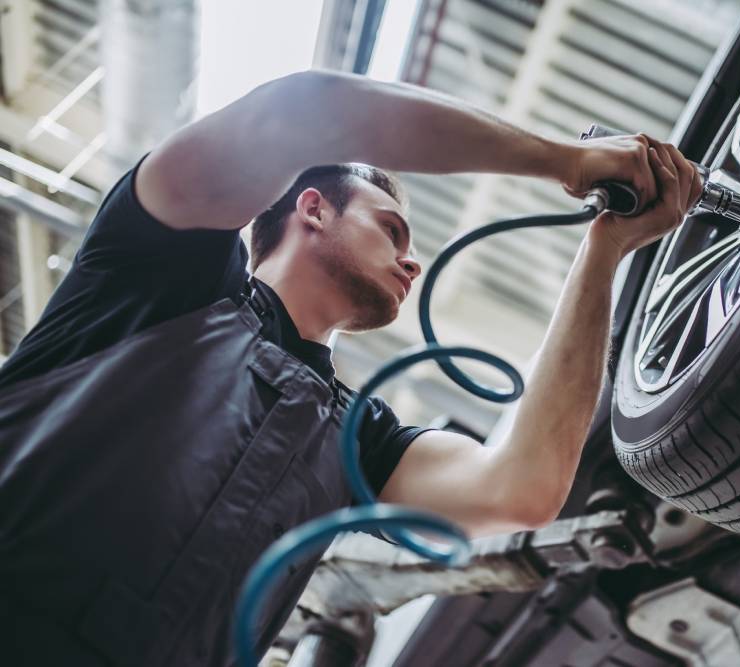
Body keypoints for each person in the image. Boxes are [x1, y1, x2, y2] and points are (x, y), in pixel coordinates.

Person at [0, 70, 701, 665]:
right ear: (312, 208)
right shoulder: (158, 273)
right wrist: (565, 163)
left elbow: (521, 487)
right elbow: (296, 112)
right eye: (391, 228)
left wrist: (607, 249)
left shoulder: (356, 442)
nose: (413, 261)